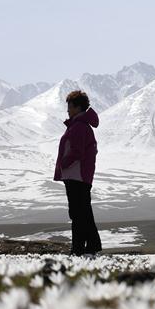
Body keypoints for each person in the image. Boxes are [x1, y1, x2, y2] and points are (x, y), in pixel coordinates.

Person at [53, 90, 101, 256]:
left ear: (78, 107)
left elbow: (76, 152)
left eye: (70, 106)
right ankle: (91, 246)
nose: (67, 110)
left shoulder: (79, 127)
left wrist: (62, 164)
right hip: (79, 175)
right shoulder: (79, 126)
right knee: (83, 211)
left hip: (76, 175)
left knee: (77, 213)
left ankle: (79, 248)